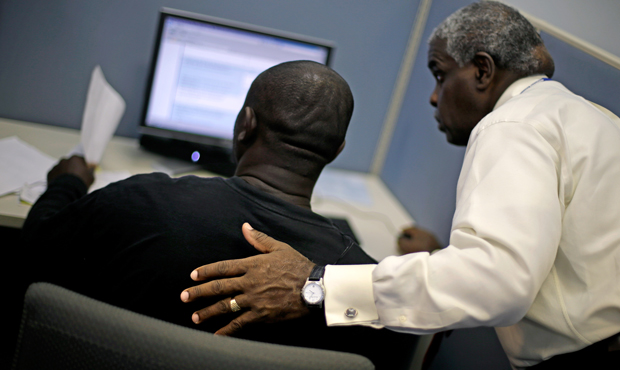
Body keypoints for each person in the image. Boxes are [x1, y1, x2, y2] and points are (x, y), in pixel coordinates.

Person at [180, 2, 620, 369]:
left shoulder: (511, 124)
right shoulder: (590, 118)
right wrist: (448, 255)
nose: (433, 96)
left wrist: (316, 283)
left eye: (439, 74)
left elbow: (497, 283)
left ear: (483, 72)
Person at [20, 61, 419, 369]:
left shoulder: (140, 200)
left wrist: (66, 184)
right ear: (336, 150)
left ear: (244, 125)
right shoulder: (363, 289)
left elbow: (31, 255)